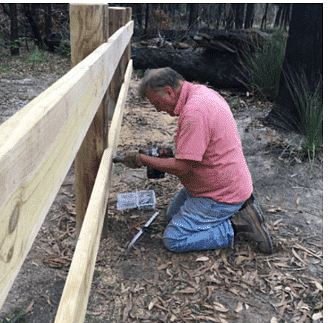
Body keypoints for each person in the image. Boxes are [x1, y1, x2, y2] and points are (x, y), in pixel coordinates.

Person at [116, 67, 273, 254]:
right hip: (219, 181)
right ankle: (240, 208)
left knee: (174, 239)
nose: (157, 109)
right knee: (171, 215)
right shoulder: (202, 93)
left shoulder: (194, 113)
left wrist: (143, 160)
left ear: (168, 91)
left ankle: (236, 225)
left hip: (220, 193)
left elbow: (183, 168)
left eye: (157, 102)